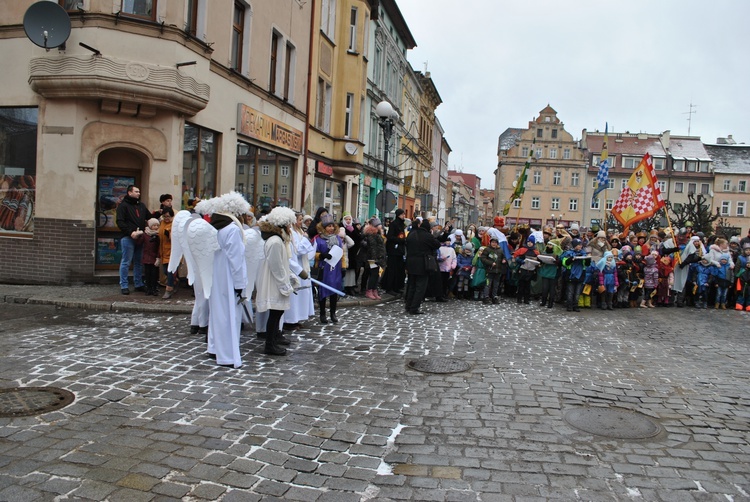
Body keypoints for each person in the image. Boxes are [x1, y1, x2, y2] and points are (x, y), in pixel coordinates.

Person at [199, 193, 249, 368]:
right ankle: (227, 355)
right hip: (228, 276)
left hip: (218, 274)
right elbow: (236, 259)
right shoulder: (233, 229)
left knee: (217, 313)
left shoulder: (217, 227)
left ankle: (214, 347)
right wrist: (240, 285)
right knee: (229, 316)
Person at [256, 206, 299, 356]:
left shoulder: (278, 239)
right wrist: (284, 284)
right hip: (274, 283)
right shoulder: (274, 241)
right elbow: (276, 266)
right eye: (288, 224)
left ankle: (273, 339)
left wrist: (290, 277)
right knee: (274, 314)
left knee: (277, 313)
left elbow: (283, 263)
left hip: (278, 281)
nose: (290, 228)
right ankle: (270, 344)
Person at [116, 185, 150, 295]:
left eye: (139, 191)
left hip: (140, 238)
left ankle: (138, 284)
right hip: (128, 237)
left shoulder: (141, 206)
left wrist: (160, 213)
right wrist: (131, 232)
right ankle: (124, 285)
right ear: (129, 193)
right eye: (136, 191)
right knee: (126, 262)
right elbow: (120, 222)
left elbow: (149, 217)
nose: (139, 193)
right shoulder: (123, 206)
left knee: (139, 262)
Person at [404, 218, 440, 315]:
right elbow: (437, 245)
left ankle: (408, 305)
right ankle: (414, 308)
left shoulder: (411, 234)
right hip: (422, 263)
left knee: (411, 285)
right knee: (420, 287)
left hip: (410, 262)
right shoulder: (427, 236)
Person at [314, 214, 344, 324]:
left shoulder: (337, 239)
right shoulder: (318, 239)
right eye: (328, 226)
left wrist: (344, 267)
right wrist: (321, 255)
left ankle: (333, 313)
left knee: (334, 291)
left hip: (335, 268)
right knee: (322, 290)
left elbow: (342, 253)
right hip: (324, 268)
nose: (331, 228)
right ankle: (322, 313)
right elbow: (313, 253)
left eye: (332, 226)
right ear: (323, 227)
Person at [381, 208, 407, 294]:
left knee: (398, 270)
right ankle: (389, 288)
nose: (404, 216)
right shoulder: (394, 224)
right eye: (403, 214)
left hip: (399, 251)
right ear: (399, 215)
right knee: (392, 270)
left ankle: (396, 287)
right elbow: (390, 237)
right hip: (393, 251)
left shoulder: (401, 224)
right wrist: (401, 240)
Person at [137, 218, 161, 296]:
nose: (156, 227)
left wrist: (158, 257)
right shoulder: (145, 234)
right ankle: (148, 288)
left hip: (155, 257)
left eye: (157, 225)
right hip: (147, 257)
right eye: (154, 225)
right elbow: (139, 243)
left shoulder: (158, 235)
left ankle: (154, 288)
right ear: (150, 226)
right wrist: (138, 235)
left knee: (154, 274)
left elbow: (159, 247)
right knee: (147, 274)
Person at [158, 208, 177, 299]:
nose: (166, 218)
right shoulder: (162, 223)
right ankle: (175, 282)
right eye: (164, 216)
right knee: (165, 271)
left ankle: (168, 290)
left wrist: (169, 235)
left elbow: (176, 238)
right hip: (163, 251)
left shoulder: (174, 224)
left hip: (172, 251)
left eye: (168, 216)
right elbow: (159, 234)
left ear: (172, 216)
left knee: (169, 271)